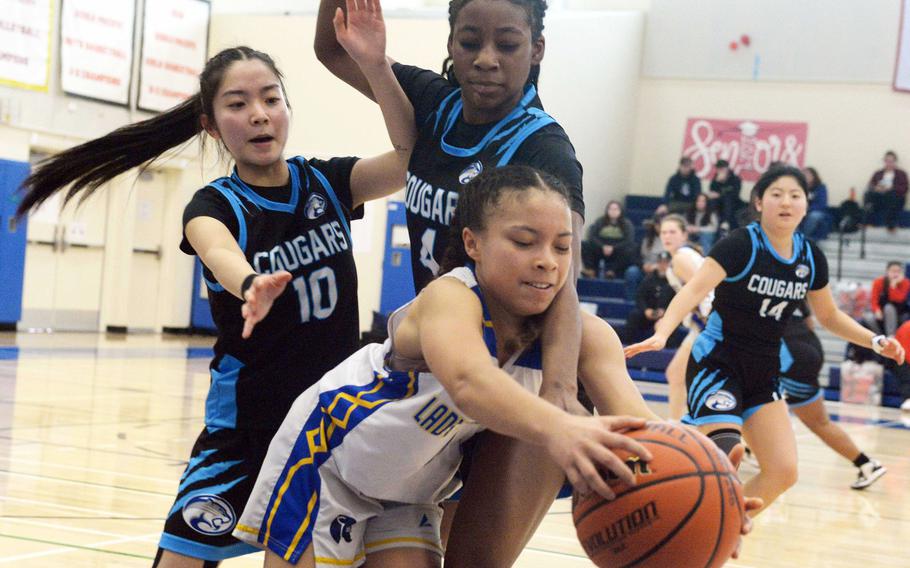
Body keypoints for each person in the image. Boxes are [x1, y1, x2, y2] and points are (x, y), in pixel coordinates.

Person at [17, 41, 416, 566]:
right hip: (244, 432)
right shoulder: (214, 204)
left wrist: (373, 66)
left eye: (270, 99)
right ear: (210, 125)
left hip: (326, 428)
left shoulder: (330, 182)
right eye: (237, 104)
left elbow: (412, 156)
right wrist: (251, 284)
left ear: (287, 108)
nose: (258, 115)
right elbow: (216, 247)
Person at [232, 166, 661, 567]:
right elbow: (469, 381)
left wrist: (711, 470)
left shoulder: (587, 336)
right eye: (525, 241)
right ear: (473, 243)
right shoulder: (451, 297)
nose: (547, 260)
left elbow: (646, 433)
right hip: (330, 463)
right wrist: (562, 425)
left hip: (412, 491)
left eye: (562, 246)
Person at [314, 0, 594, 563]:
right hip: (440, 374)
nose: (486, 59)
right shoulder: (433, 106)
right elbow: (331, 47)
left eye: (508, 45)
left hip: (516, 374)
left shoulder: (545, 149)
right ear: (450, 43)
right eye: (470, 42)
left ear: (536, 51)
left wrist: (561, 391)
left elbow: (564, 275)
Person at [624, 165, 905, 516]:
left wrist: (876, 340)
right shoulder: (741, 244)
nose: (786, 201)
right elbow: (695, 288)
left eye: (795, 195)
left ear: (806, 205)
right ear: (759, 201)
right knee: (723, 451)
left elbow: (830, 316)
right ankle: (640, 463)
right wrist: (663, 332)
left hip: (764, 370)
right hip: (719, 362)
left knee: (783, 472)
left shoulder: (810, 257)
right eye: (776, 194)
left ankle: (717, 531)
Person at [776, 302, 887, 489]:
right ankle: (866, 464)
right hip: (809, 345)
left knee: (759, 405)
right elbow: (810, 321)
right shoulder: (792, 281)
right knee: (820, 422)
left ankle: (760, 456)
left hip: (788, 355)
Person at [658, 214, 713, 420]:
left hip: (711, 323)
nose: (667, 236)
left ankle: (733, 432)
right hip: (701, 325)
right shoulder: (682, 256)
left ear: (684, 234)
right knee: (676, 374)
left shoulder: (681, 258)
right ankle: (674, 426)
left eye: (672, 232)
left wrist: (674, 318)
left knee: (713, 382)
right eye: (663, 232)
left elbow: (704, 290)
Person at [622, 251, 675, 344]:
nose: (663, 265)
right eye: (661, 262)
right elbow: (640, 296)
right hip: (648, 313)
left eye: (666, 263)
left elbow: (677, 300)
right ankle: (626, 343)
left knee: (672, 323)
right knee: (634, 316)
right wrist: (646, 310)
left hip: (666, 315)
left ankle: (668, 348)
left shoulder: (673, 281)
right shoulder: (648, 279)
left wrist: (665, 311)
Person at [581, 200, 638, 279]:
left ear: (620, 211)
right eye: (611, 209)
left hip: (618, 249)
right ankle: (590, 270)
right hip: (601, 247)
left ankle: (612, 271)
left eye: (616, 209)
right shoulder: (600, 221)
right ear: (607, 210)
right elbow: (592, 236)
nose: (613, 211)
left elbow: (629, 240)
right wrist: (603, 246)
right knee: (584, 244)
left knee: (631, 249)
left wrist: (613, 248)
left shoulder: (626, 224)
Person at [864, 150, 908, 232]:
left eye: (891, 161)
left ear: (895, 162)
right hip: (880, 197)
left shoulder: (901, 174)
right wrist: (876, 188)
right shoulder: (878, 173)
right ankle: (868, 222)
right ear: (884, 161)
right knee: (868, 194)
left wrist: (891, 188)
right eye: (887, 161)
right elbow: (870, 185)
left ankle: (890, 224)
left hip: (894, 198)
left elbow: (904, 188)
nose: (889, 163)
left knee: (891, 194)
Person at [864, 261, 910, 337]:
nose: (896, 274)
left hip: (899, 311)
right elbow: (874, 299)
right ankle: (879, 337)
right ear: (887, 272)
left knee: (889, 308)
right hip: (882, 310)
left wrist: (893, 286)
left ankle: (891, 336)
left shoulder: (906, 283)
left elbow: (899, 299)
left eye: (898, 271)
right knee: (868, 317)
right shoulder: (878, 282)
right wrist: (876, 310)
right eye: (893, 271)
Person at [708, 159, 743, 231]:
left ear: (727, 168)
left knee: (727, 199)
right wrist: (718, 182)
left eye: (722, 168)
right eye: (718, 169)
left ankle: (725, 222)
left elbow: (735, 194)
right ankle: (711, 220)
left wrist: (720, 194)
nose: (720, 171)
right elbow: (712, 192)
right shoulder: (715, 179)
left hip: (733, 202)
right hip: (718, 202)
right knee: (711, 201)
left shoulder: (735, 179)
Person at [800, 167, 830, 241]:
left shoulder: (821, 188)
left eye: (808, 174)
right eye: (804, 174)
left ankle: (802, 237)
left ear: (814, 176)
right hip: (801, 210)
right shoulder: (800, 188)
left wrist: (807, 209)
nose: (806, 176)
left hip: (816, 211)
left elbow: (821, 204)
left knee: (814, 216)